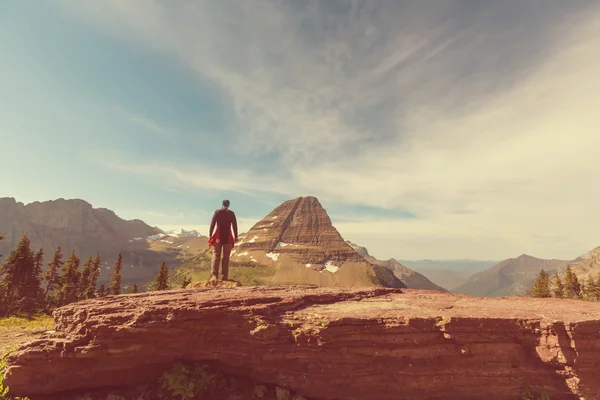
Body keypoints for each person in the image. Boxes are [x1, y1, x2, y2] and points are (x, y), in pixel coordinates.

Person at [208, 199, 238, 281]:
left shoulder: (217, 212)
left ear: (222, 204)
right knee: (226, 256)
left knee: (216, 255)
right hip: (227, 237)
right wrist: (236, 236)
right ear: (229, 205)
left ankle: (214, 276)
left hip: (218, 236)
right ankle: (225, 276)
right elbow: (234, 225)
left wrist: (210, 235)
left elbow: (212, 223)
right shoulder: (231, 214)